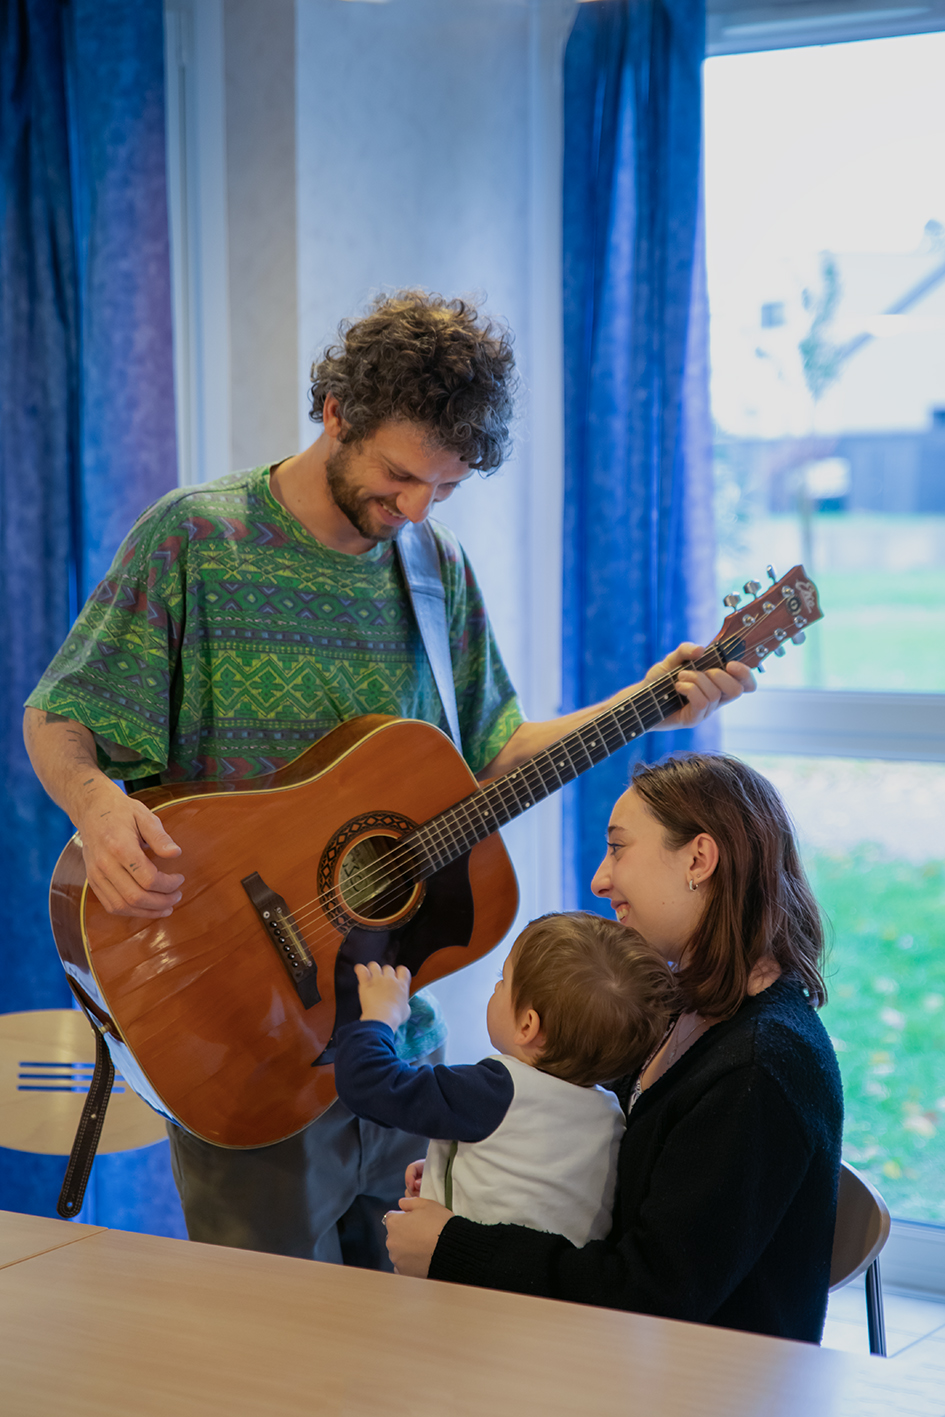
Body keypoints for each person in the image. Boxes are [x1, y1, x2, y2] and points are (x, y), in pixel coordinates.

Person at [22, 290, 753, 1269]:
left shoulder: (433, 569)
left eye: (442, 489)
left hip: (400, 1048)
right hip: (244, 1037)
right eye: (401, 474)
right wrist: (97, 804)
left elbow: (490, 758)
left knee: (412, 1349)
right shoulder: (195, 543)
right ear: (335, 410)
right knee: (277, 1359)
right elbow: (58, 715)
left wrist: (649, 701)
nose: (413, 508)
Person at [384, 753, 843, 1344]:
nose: (600, 880)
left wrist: (456, 1245)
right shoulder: (677, 1011)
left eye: (618, 848)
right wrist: (482, 1178)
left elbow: (652, 1295)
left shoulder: (761, 1065)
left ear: (699, 859)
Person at [334, 914, 678, 1247]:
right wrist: (456, 1166)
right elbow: (543, 1187)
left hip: (471, 1292)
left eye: (504, 979)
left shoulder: (493, 1091)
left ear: (527, 1026)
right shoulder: (610, 1115)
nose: (496, 986)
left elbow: (368, 1083)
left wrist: (380, 1016)